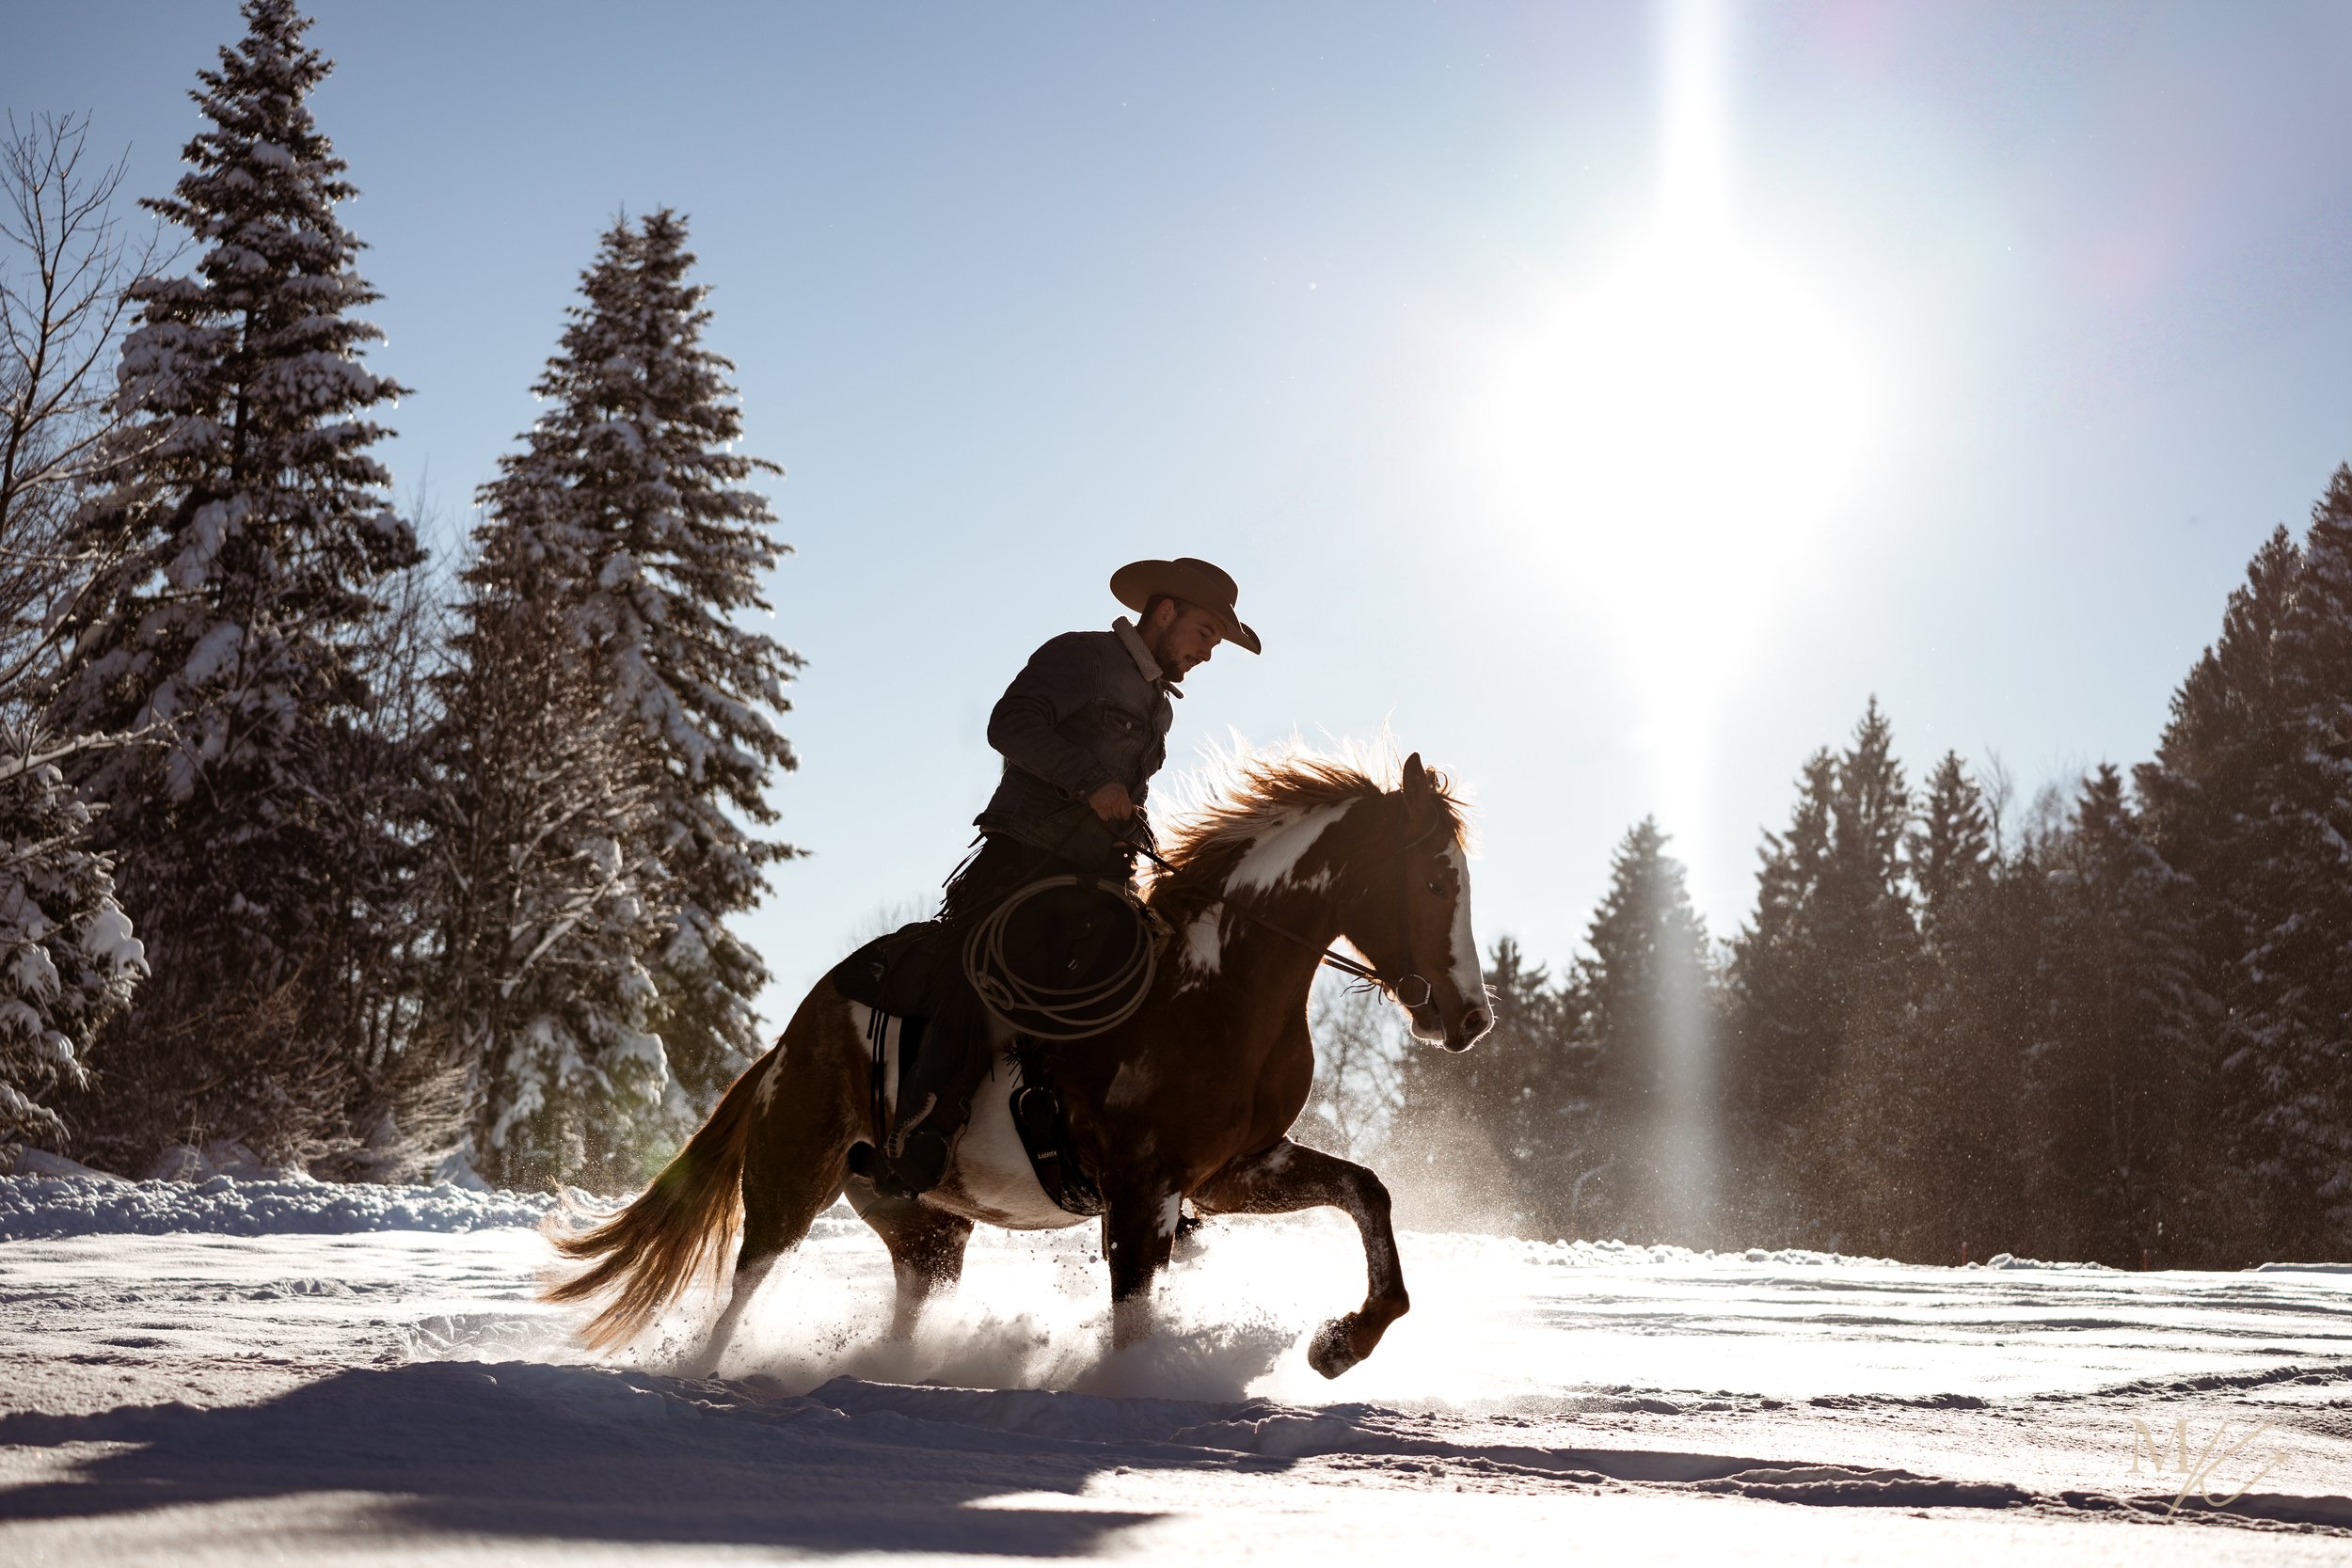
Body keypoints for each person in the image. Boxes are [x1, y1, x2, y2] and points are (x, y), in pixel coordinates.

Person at [860, 557, 1261, 1198]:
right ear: (1165, 612)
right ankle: (923, 1129)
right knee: (981, 967)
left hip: (1100, 880)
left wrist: (1127, 824)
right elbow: (1009, 724)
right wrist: (1088, 782)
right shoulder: (1082, 657)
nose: (1209, 652)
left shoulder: (1160, 710)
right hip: (1022, 859)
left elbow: (1117, 793)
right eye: (1207, 632)